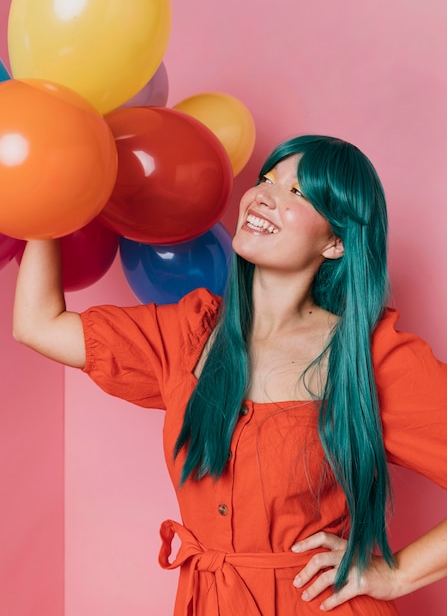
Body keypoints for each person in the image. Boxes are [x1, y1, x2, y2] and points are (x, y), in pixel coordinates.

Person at [13, 135, 447, 615]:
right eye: (267, 179)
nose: (264, 195)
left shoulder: (369, 356)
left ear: (336, 241)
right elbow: (38, 324)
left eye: (299, 193)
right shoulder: (188, 333)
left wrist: (397, 573)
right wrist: (44, 193)